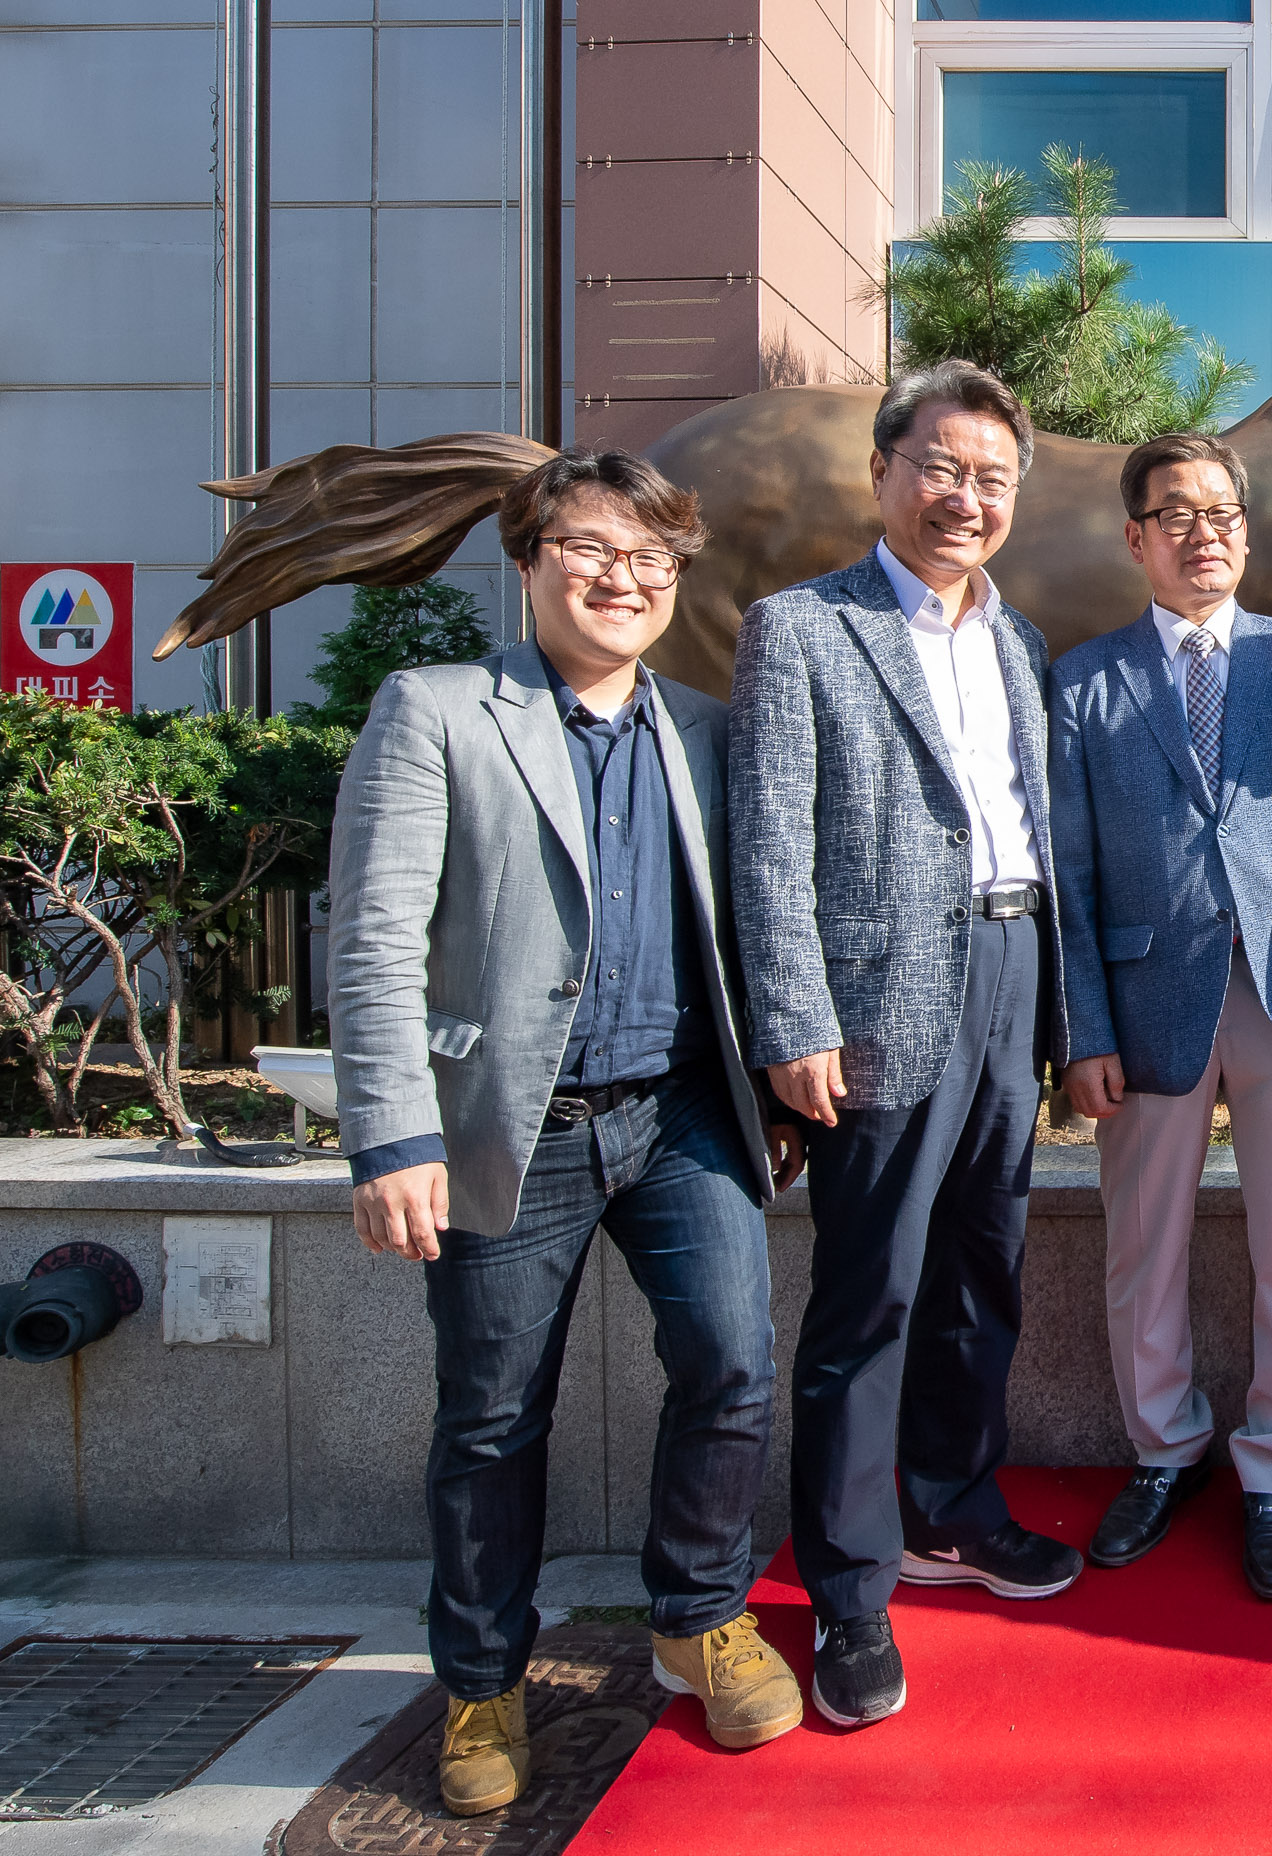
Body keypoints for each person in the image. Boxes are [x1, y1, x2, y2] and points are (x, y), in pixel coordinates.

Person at [330, 450, 804, 1817]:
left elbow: (747, 930)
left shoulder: (706, 729)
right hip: (506, 1128)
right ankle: (482, 1682)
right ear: (529, 557)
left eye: (653, 560)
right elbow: (371, 940)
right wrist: (389, 1136)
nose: (624, 579)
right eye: (592, 550)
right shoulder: (436, 712)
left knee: (731, 1364)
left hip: (681, 1115)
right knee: (489, 1418)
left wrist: (772, 1092)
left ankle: (697, 1614)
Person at [729, 361, 1075, 1730]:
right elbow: (768, 847)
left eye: (992, 477)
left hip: (1012, 966)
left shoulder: (1020, 641)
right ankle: (852, 1591)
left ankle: (953, 1507)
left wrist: (1061, 1014)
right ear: (884, 473)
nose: (965, 497)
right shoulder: (803, 629)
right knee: (866, 1297)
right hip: (881, 998)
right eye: (941, 466)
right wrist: (794, 1023)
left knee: (985, 1271)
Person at [1048, 433, 1272, 1600]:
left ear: (1246, 526)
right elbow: (1069, 873)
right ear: (1136, 537)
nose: (1203, 531)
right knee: (1143, 1243)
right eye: (1174, 513)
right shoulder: (1084, 678)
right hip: (1143, 1002)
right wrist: (1081, 1029)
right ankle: (1164, 1446)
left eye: (1221, 511)